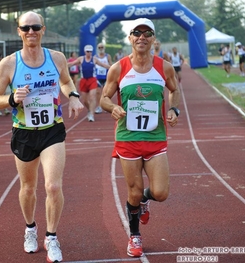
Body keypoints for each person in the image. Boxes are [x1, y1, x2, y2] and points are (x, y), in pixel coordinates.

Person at [0, 11, 84, 263]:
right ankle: (30, 228)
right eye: (26, 28)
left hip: (52, 129)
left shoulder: (57, 58)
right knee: (28, 188)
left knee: (53, 185)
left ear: (43, 29)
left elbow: (66, 82)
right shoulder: (9, 64)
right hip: (24, 132)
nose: (31, 32)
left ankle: (51, 237)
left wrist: (73, 96)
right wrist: (11, 99)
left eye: (35, 27)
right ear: (18, 31)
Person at [100, 18, 180, 258]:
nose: (142, 37)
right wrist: (111, 108)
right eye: (137, 33)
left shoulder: (164, 67)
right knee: (133, 192)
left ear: (154, 38)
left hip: (155, 138)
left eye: (147, 33)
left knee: (161, 192)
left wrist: (174, 109)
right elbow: (104, 97)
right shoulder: (119, 68)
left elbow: (174, 90)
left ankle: (146, 201)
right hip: (128, 138)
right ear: (130, 38)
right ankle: (134, 236)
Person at [68, 44, 110, 122]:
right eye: (88, 51)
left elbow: (103, 65)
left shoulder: (94, 59)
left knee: (92, 96)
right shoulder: (81, 59)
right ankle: (89, 109)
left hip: (92, 80)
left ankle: (91, 114)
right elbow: (71, 64)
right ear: (85, 51)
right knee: (84, 100)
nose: (89, 53)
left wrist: (114, 68)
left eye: (90, 51)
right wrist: (61, 66)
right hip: (83, 80)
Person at [95, 43, 112, 114]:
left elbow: (111, 65)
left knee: (106, 93)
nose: (100, 48)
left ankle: (105, 106)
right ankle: (99, 106)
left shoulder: (107, 56)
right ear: (97, 48)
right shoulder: (95, 57)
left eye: (102, 47)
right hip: (98, 77)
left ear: (104, 48)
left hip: (106, 77)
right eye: (99, 47)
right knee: (98, 92)